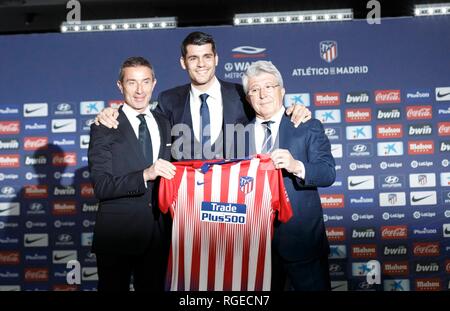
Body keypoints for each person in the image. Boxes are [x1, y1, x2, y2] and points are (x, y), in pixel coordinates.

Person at [94, 31, 312, 159]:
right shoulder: (169, 99)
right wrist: (113, 112)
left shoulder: (240, 93)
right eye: (193, 58)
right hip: (188, 202)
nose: (201, 64)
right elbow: (143, 120)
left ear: (216, 59)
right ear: (183, 63)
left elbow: (268, 112)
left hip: (237, 197)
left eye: (207, 56)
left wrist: (293, 110)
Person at [241, 60, 336, 290]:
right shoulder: (236, 134)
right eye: (254, 90)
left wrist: (296, 166)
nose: (263, 94)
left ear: (282, 91)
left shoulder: (306, 125)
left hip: (302, 244)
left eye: (269, 87)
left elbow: (327, 172)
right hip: (254, 249)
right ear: (248, 98)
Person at [88, 56, 176, 291]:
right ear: (120, 86)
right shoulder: (105, 125)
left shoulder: (164, 122)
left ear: (154, 83)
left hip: (158, 236)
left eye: (145, 82)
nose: (140, 90)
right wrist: (145, 174)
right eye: (132, 83)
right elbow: (102, 186)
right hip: (118, 236)